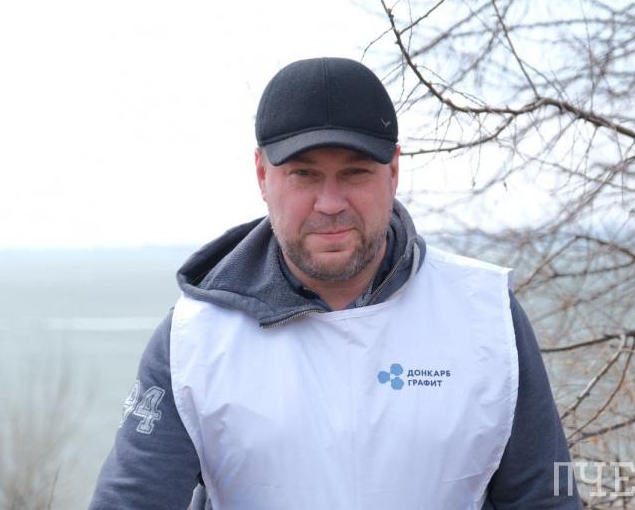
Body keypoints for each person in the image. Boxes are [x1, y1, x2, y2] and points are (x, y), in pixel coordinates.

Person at [88, 57, 583, 510]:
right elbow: (131, 501)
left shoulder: (486, 315)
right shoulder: (194, 338)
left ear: (393, 171)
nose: (330, 203)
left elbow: (548, 497)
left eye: (355, 173)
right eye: (304, 174)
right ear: (262, 175)